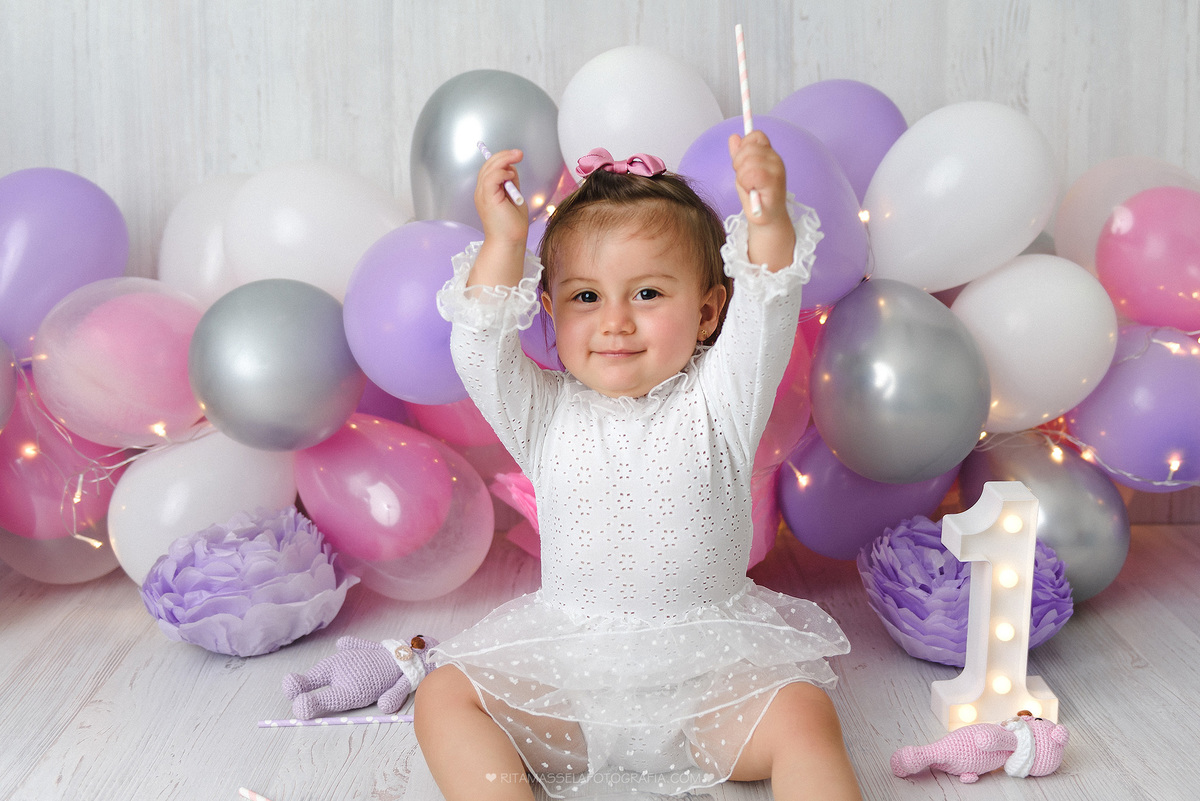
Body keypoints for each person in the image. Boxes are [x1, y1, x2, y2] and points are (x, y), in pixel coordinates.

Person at [415, 131, 861, 801]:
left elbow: (769, 302)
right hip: (572, 689)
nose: (615, 321)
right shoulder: (542, 413)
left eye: (647, 293)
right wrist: (505, 241)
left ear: (707, 311)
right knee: (444, 695)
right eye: (586, 297)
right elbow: (477, 347)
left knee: (802, 712)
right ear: (549, 309)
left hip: (710, 691)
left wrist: (768, 219)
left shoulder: (722, 400)